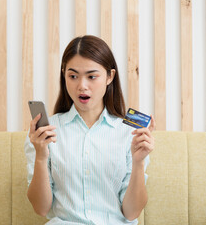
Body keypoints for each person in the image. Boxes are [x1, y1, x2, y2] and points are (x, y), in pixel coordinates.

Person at [24, 35, 155, 225]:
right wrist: (41, 157)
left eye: (92, 76)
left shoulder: (130, 133)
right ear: (64, 75)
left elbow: (131, 213)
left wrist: (138, 163)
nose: (82, 86)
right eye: (73, 76)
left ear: (110, 77)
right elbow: (41, 208)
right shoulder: (44, 133)